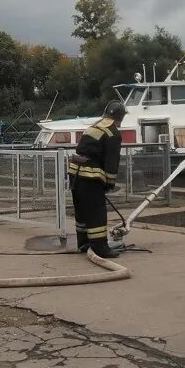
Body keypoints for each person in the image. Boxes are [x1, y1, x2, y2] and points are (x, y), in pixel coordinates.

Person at [67, 100, 125, 259]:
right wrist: (109, 183)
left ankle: (84, 243)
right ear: (120, 117)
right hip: (90, 177)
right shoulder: (112, 133)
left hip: (75, 174)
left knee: (82, 211)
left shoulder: (95, 126)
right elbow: (111, 161)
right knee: (96, 212)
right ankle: (100, 247)